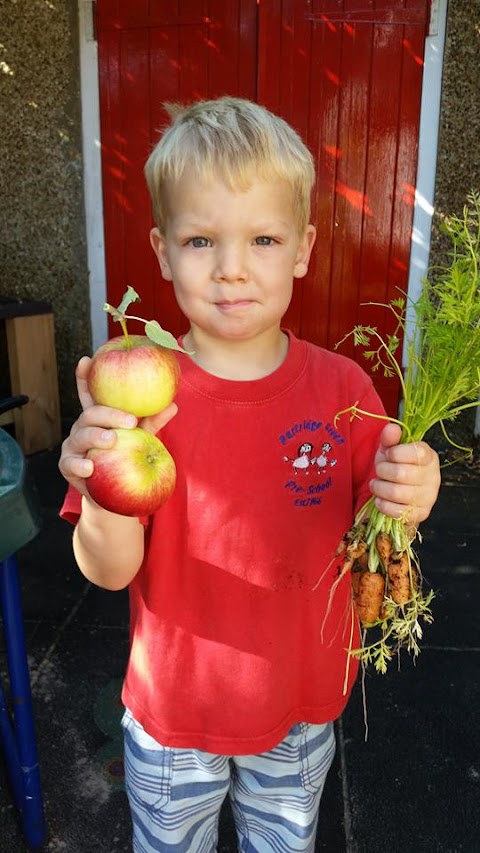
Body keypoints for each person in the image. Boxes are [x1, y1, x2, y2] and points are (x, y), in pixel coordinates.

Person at [59, 97, 441, 853]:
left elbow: (385, 514)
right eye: (202, 240)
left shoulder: (344, 394)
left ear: (302, 248)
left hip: (298, 711)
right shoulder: (139, 398)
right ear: (163, 251)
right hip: (173, 720)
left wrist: (414, 491)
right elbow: (108, 572)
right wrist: (103, 488)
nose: (231, 267)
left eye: (262, 238)